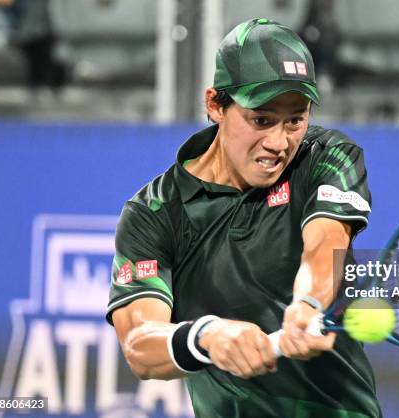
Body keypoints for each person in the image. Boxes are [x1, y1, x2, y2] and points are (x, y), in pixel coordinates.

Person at [107, 18, 381, 418]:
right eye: (262, 119)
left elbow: (326, 243)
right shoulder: (154, 214)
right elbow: (139, 347)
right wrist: (206, 336)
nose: (279, 142)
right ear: (216, 105)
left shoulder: (325, 155)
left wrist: (308, 301)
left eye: (295, 120)